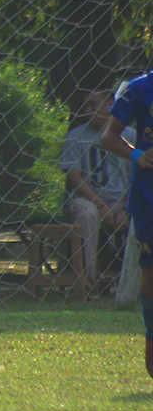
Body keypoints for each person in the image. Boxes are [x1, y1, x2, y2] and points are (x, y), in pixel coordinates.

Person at [101, 72, 153, 379]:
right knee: (151, 274)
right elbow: (108, 136)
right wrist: (137, 156)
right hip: (148, 198)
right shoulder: (139, 89)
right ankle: (151, 335)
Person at [60, 88, 133, 283]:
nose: (87, 110)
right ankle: (88, 281)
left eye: (93, 105)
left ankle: (134, 282)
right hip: (88, 200)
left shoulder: (131, 137)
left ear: (110, 105)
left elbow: (141, 178)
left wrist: (127, 209)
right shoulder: (75, 136)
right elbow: (74, 178)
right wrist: (101, 205)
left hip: (124, 201)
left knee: (144, 211)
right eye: (85, 106)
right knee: (87, 213)